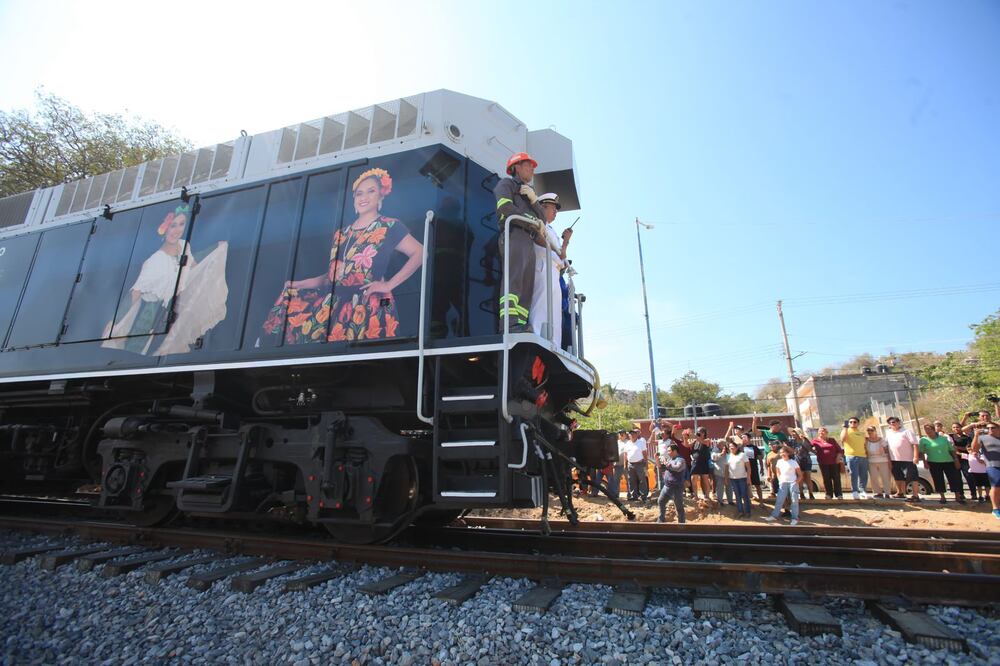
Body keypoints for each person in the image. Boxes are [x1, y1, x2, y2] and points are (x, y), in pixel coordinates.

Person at [263, 168, 423, 343]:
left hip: (368, 307)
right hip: (335, 307)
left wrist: (389, 285)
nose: (364, 197)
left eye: (371, 191)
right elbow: (332, 277)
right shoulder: (342, 234)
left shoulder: (389, 226)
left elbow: (421, 252)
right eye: (359, 193)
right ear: (354, 199)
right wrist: (300, 283)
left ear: (381, 196)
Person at [104, 204, 229, 356]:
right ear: (164, 228)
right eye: (172, 225)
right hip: (149, 320)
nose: (177, 230)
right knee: (140, 357)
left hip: (173, 317)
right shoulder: (155, 261)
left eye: (181, 224)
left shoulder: (184, 246)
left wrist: (216, 248)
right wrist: (112, 325)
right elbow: (134, 294)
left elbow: (194, 267)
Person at [493, 152, 547, 331]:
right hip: (513, 235)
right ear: (516, 167)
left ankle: (521, 323)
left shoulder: (528, 193)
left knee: (526, 285)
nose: (532, 169)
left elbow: (543, 220)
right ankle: (509, 324)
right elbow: (505, 208)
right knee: (514, 280)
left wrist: (534, 200)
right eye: (528, 165)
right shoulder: (506, 184)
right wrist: (531, 220)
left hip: (527, 239)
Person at [528, 193, 571, 347]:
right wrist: (560, 254)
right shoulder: (537, 223)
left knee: (554, 311)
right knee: (541, 304)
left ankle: (554, 343)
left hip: (554, 271)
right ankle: (537, 334)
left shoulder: (551, 230)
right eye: (553, 208)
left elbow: (562, 257)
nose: (556, 212)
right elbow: (546, 249)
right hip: (542, 266)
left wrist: (566, 241)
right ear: (542, 207)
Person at [919, 423, 965, 504]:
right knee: (938, 479)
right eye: (926, 430)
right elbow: (921, 452)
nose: (927, 431)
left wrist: (956, 460)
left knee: (954, 479)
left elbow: (951, 450)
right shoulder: (923, 440)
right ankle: (942, 497)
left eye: (929, 429)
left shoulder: (943, 438)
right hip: (933, 462)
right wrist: (924, 462)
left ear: (933, 429)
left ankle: (957, 496)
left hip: (948, 461)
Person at [885, 416, 921, 501]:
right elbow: (886, 446)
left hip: (908, 459)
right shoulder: (888, 433)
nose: (892, 424)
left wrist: (916, 456)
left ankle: (915, 495)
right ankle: (900, 492)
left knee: (913, 477)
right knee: (898, 477)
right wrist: (889, 459)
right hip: (894, 459)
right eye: (890, 423)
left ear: (898, 422)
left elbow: (915, 444)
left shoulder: (907, 431)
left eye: (894, 422)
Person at [765, 446, 802, 525]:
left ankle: (795, 518)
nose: (782, 454)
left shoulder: (793, 462)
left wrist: (796, 482)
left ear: (788, 453)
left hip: (793, 483)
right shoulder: (779, 462)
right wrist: (780, 480)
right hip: (783, 483)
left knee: (794, 501)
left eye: (784, 452)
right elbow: (778, 472)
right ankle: (774, 516)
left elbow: (800, 475)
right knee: (779, 500)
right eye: (781, 453)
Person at [969, 423, 1000, 519]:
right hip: (992, 465)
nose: (990, 429)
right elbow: (974, 449)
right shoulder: (983, 438)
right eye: (988, 428)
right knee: (996, 486)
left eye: (992, 427)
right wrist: (976, 435)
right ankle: (995, 509)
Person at [657, 444, 687, 524]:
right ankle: (661, 520)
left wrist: (668, 464)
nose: (668, 452)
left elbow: (677, 468)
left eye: (669, 451)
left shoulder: (680, 460)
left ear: (675, 451)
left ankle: (681, 524)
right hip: (667, 486)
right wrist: (657, 460)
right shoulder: (670, 459)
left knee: (679, 507)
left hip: (676, 487)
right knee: (661, 501)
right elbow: (662, 467)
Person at [840, 417, 869, 499]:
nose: (853, 423)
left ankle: (863, 491)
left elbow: (864, 445)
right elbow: (842, 439)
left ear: (858, 423)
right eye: (851, 422)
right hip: (852, 456)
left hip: (863, 456)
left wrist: (867, 454)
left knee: (864, 475)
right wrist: (845, 428)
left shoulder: (861, 433)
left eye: (855, 422)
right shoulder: (846, 431)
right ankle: (855, 491)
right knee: (854, 474)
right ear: (848, 423)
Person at [811, 427, 843, 499]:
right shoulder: (815, 441)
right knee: (826, 479)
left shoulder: (832, 440)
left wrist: (838, 457)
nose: (821, 433)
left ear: (827, 432)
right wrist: (814, 450)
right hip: (823, 462)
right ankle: (828, 494)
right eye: (820, 431)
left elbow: (840, 450)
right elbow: (809, 447)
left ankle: (839, 494)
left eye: (823, 431)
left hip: (834, 462)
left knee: (836, 478)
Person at [950, 422, 978, 502]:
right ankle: (961, 494)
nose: (956, 429)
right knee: (957, 478)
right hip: (954, 460)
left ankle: (973, 494)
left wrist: (957, 448)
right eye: (954, 427)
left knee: (969, 476)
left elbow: (968, 448)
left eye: (957, 427)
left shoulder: (967, 438)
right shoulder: (951, 437)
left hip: (965, 459)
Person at [725, 440, 753, 517]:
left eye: (733, 447)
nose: (731, 448)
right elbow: (727, 469)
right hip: (733, 479)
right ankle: (740, 511)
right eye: (730, 447)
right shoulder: (728, 456)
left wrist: (748, 478)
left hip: (742, 478)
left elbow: (748, 468)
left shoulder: (742, 455)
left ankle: (747, 512)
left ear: (737, 447)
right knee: (737, 496)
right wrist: (726, 479)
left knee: (744, 495)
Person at [864, 426, 892, 498]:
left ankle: (887, 493)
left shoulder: (881, 440)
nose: (870, 432)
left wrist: (889, 461)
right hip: (871, 461)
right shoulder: (866, 441)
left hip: (883, 460)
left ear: (875, 430)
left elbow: (887, 450)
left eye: (871, 430)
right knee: (874, 477)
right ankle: (878, 492)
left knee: (885, 477)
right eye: (868, 431)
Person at [788, 428, 815, 500]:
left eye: (795, 433)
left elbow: (809, 448)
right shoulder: (791, 441)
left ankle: (811, 494)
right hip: (797, 461)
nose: (793, 434)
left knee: (808, 477)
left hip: (806, 460)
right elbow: (788, 449)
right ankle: (801, 494)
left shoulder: (805, 440)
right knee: (800, 478)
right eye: (792, 433)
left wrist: (803, 439)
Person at [689, 427, 714, 501]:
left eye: (699, 432)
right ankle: (696, 496)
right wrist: (685, 437)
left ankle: (707, 496)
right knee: (693, 478)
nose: (698, 433)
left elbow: (703, 442)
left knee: (705, 479)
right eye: (697, 432)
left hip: (704, 462)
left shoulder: (707, 440)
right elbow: (687, 445)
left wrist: (695, 436)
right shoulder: (695, 441)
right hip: (695, 462)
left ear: (703, 433)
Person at [625, 429, 649, 503]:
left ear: (636, 435)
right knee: (631, 481)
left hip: (640, 464)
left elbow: (644, 453)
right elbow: (626, 455)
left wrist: (646, 463)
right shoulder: (627, 443)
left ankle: (644, 496)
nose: (632, 435)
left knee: (642, 480)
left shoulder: (641, 442)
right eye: (630, 434)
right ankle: (634, 496)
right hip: (630, 464)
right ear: (629, 436)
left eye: (633, 434)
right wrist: (625, 464)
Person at [965, 430, 990, 504]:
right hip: (975, 472)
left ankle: (987, 495)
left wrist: (977, 457)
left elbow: (983, 462)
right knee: (978, 485)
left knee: (986, 485)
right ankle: (980, 496)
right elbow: (960, 454)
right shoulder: (969, 455)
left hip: (984, 472)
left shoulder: (981, 453)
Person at [711, 439, 733, 506]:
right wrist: (721, 454)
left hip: (728, 473)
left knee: (729, 487)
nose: (723, 445)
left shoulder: (728, 451)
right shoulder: (715, 450)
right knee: (720, 487)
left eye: (724, 444)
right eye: (721, 444)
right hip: (719, 472)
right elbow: (713, 458)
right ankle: (720, 501)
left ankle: (730, 501)